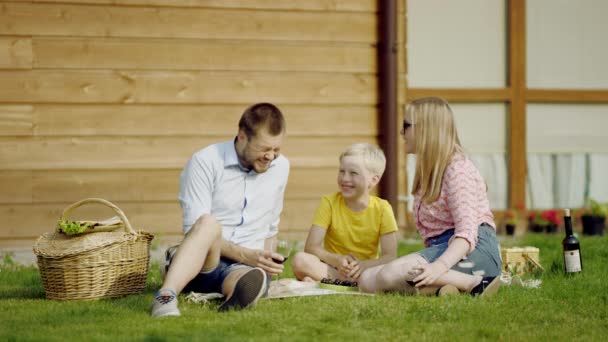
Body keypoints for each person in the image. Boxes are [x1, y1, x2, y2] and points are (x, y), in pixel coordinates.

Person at [151, 103, 290, 317]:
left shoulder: (281, 167)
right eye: (264, 149)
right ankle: (165, 298)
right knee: (208, 223)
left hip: (244, 267)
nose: (270, 156)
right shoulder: (205, 162)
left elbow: (271, 224)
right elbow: (194, 230)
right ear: (242, 136)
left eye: (276, 150)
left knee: (251, 278)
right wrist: (245, 254)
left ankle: (238, 293)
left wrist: (268, 262)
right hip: (203, 260)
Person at [361, 97, 502, 296]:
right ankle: (441, 288)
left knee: (387, 275)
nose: (402, 132)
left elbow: (467, 234)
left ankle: (475, 282)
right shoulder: (429, 170)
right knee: (366, 280)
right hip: (446, 250)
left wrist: (438, 267)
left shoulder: (458, 170)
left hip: (473, 252)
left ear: (425, 129)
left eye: (406, 125)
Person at [291, 143, 398, 285]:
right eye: (342, 171)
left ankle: (327, 281)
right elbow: (311, 247)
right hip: (332, 268)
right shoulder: (329, 202)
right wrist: (337, 259)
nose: (345, 178)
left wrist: (364, 265)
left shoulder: (383, 209)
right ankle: (348, 282)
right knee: (300, 259)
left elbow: (390, 256)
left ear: (373, 180)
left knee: (389, 272)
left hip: (365, 270)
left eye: (353, 173)